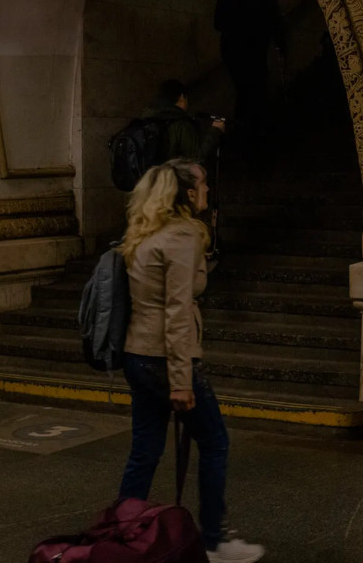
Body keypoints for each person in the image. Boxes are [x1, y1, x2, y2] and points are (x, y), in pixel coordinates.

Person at [117, 159, 264, 563]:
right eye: (201, 184)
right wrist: (181, 380)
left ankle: (122, 532)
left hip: (138, 353)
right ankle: (215, 540)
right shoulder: (182, 235)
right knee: (215, 442)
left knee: (144, 450)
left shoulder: (145, 234)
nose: (207, 190)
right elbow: (177, 310)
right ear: (185, 193)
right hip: (166, 360)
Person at [213, 0, 285, 138]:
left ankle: (244, 128)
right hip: (255, 48)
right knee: (257, 89)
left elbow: (218, 22)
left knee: (243, 89)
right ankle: (254, 130)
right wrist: (279, 43)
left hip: (234, 49)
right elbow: (276, 19)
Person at [143, 79, 225, 168]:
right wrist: (215, 130)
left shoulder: (148, 119)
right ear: (182, 97)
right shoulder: (181, 124)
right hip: (171, 178)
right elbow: (196, 158)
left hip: (149, 177)